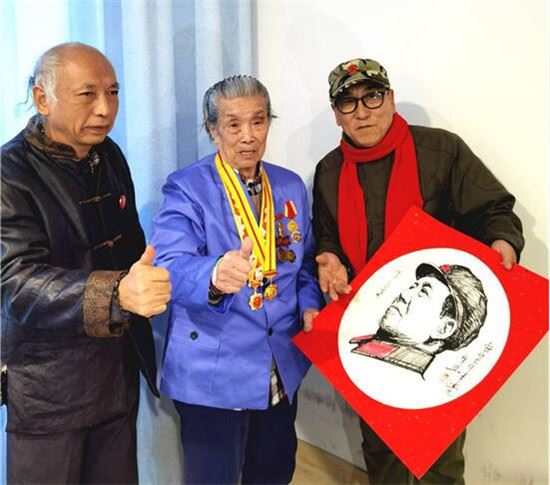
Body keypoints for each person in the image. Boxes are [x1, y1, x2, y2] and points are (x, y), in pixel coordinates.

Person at [313, 58, 524, 483]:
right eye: (348, 103)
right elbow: (326, 235)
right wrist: (329, 256)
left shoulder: (441, 151)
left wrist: (503, 240)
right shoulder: (329, 171)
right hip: (368, 334)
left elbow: (493, 210)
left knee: (440, 460)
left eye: (372, 97)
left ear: (390, 98)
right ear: (336, 113)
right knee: (380, 452)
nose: (362, 112)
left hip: (437, 351)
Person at [1, 42, 171, 484]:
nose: (105, 109)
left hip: (116, 372)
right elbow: (15, 282)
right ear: (43, 99)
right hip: (48, 387)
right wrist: (116, 294)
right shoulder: (9, 172)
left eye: (113, 93)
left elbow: (132, 248)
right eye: (87, 94)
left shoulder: (108, 156)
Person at [151, 75, 323, 484]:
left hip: (280, 365)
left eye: (258, 121)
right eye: (233, 124)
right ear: (213, 130)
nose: (248, 136)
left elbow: (304, 263)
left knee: (274, 473)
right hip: (214, 369)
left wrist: (310, 304)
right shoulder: (187, 188)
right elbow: (169, 265)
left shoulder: (289, 185)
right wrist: (213, 273)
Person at [350, 263, 487, 375]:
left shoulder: (396, 374)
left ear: (443, 328)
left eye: (423, 292)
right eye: (412, 287)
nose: (404, 294)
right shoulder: (367, 352)